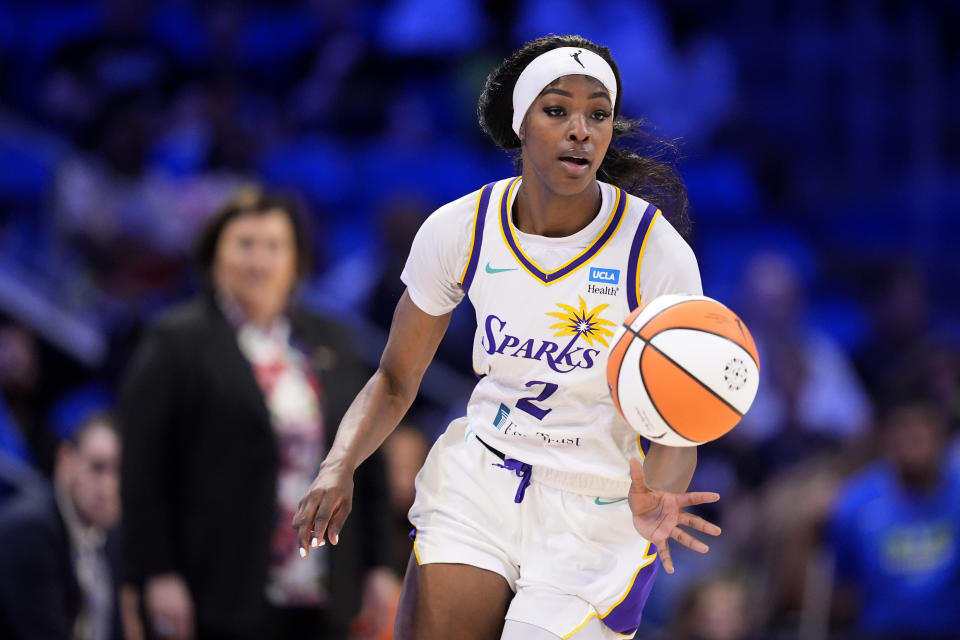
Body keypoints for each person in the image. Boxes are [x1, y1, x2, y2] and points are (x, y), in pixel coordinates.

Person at [295, 35, 721, 640]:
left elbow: (680, 421)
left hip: (599, 503)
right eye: (557, 110)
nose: (581, 129)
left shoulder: (655, 251)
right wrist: (340, 464)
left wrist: (660, 493)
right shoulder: (459, 227)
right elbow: (395, 377)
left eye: (598, 114)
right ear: (521, 124)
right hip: (486, 475)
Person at [118, 187, 397, 640]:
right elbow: (144, 469)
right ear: (215, 255)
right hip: (215, 589)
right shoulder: (175, 341)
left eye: (274, 246)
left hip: (322, 588)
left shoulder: (334, 341)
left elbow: (368, 459)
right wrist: (158, 571)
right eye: (244, 244)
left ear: (296, 260)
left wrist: (380, 564)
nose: (259, 261)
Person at [826, 401, 960, 638]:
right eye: (903, 428)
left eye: (921, 428)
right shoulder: (856, 502)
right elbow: (841, 584)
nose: (913, 438)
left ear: (941, 435)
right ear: (886, 438)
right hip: (880, 630)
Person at [0, 413, 122, 640]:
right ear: (65, 462)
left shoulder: (108, 533)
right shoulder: (30, 531)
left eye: (119, 471)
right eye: (97, 468)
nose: (108, 487)